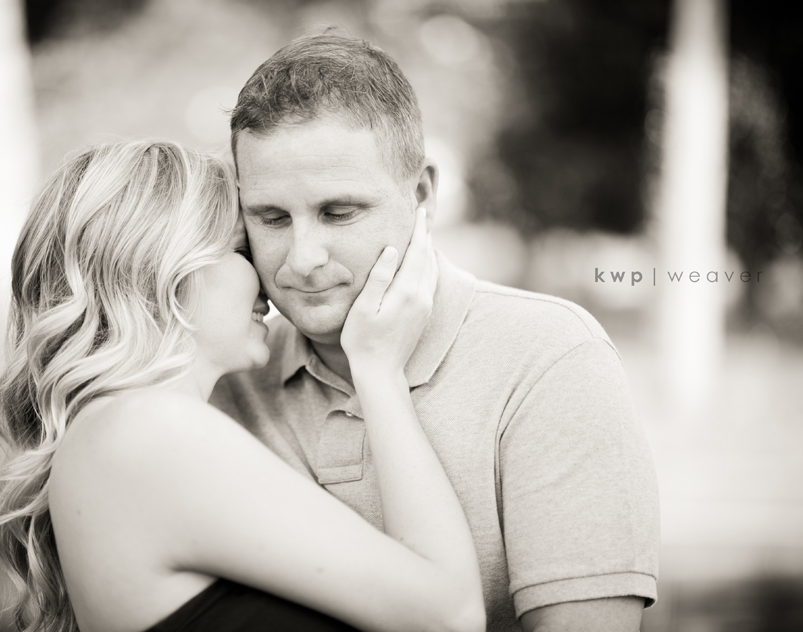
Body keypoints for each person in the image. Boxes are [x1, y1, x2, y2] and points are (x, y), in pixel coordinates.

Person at [211, 32, 661, 631]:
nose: (303, 258)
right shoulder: (226, 378)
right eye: (271, 218)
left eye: (338, 213)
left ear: (421, 194)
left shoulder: (550, 357)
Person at [0, 140, 486, 632]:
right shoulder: (149, 430)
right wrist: (377, 371)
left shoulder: (110, 435)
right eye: (241, 249)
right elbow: (450, 615)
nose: (269, 276)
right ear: (165, 268)